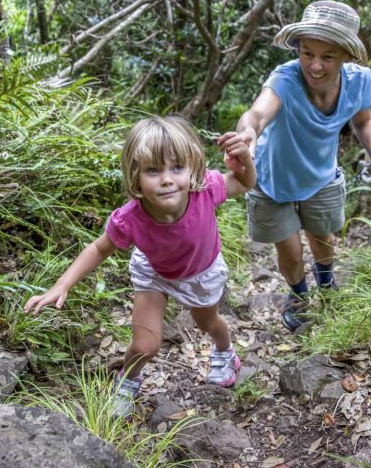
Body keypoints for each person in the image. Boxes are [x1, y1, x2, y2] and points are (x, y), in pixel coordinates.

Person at [24, 115, 256, 417]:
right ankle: (128, 378)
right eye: (152, 170)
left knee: (208, 323)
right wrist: (62, 284)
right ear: (135, 175)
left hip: (202, 271)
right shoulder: (130, 217)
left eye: (177, 168)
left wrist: (245, 162)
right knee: (145, 345)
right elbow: (98, 248)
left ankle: (225, 353)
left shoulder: (206, 189)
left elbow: (243, 182)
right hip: (154, 273)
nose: (167, 179)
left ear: (193, 168)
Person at [233, 0, 371, 332]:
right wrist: (247, 132)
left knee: (322, 238)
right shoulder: (286, 78)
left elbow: (364, 120)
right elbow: (258, 112)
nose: (315, 66)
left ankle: (327, 283)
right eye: (307, 54)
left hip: (320, 175)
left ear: (346, 56)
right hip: (272, 178)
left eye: (327, 57)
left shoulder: (361, 81)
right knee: (290, 250)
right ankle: (299, 297)